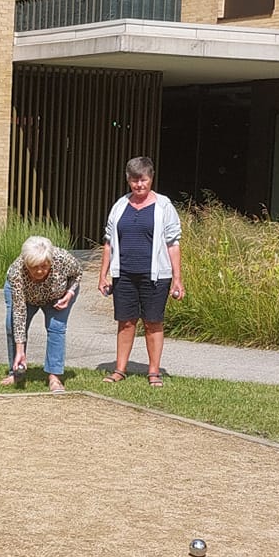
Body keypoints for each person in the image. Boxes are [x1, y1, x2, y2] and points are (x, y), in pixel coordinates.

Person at [97, 156, 184, 386]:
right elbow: (108, 243)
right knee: (125, 322)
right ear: (128, 180)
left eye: (143, 180)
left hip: (156, 275)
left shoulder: (164, 206)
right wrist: (103, 275)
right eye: (134, 180)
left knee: (152, 322)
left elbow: (173, 243)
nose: (139, 185)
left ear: (151, 178)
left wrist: (177, 278)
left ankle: (153, 372)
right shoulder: (120, 206)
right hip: (124, 273)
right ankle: (119, 369)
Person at [0, 234, 81, 394]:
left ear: (51, 261)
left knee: (56, 327)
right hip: (26, 297)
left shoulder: (63, 259)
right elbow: (19, 314)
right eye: (34, 266)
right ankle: (16, 371)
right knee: (12, 325)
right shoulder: (16, 272)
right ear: (26, 263)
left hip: (57, 295)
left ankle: (54, 378)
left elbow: (77, 274)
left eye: (44, 266)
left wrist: (69, 294)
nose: (39, 271)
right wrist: (20, 350)